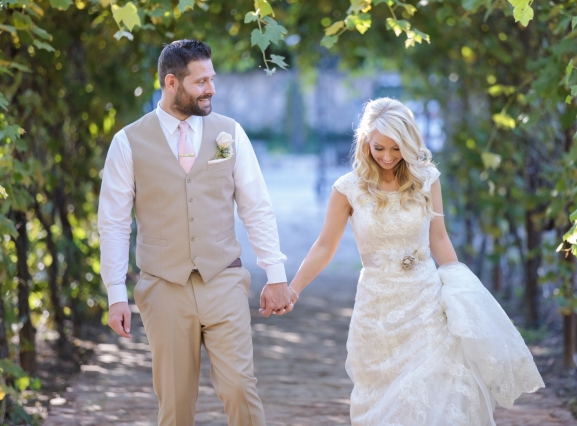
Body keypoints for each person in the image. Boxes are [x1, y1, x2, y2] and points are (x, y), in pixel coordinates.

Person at [288, 97, 544, 425]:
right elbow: (324, 246)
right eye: (379, 148)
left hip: (425, 302)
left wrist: (459, 287)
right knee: (383, 402)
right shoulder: (347, 189)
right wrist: (293, 290)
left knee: (438, 390)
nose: (388, 157)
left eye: (397, 149)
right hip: (377, 310)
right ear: (365, 141)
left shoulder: (426, 179)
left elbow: (438, 238)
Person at [98, 39, 293, 426]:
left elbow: (256, 206)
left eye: (212, 78)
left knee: (240, 388)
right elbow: (114, 222)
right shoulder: (128, 143)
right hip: (163, 285)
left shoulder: (229, 134)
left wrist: (276, 275)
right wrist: (116, 294)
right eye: (201, 81)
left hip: (223, 278)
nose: (211, 89)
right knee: (175, 403)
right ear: (172, 83)